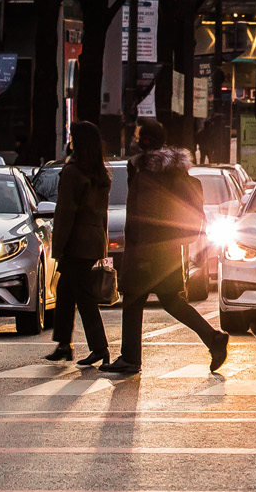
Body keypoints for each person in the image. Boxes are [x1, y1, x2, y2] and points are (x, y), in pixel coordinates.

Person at [101, 119, 227, 375]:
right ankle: (213, 338)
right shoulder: (172, 170)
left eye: (138, 135)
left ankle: (130, 358)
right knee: (171, 301)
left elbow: (145, 213)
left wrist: (141, 254)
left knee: (133, 300)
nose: (134, 139)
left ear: (145, 141)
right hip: (168, 250)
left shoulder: (149, 172)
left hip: (148, 251)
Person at [46, 121, 112, 366]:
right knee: (65, 291)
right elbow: (102, 213)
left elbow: (65, 213)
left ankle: (100, 347)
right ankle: (63, 343)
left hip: (75, 242)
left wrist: (59, 247)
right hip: (92, 240)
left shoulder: (73, 172)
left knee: (83, 297)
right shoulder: (100, 173)